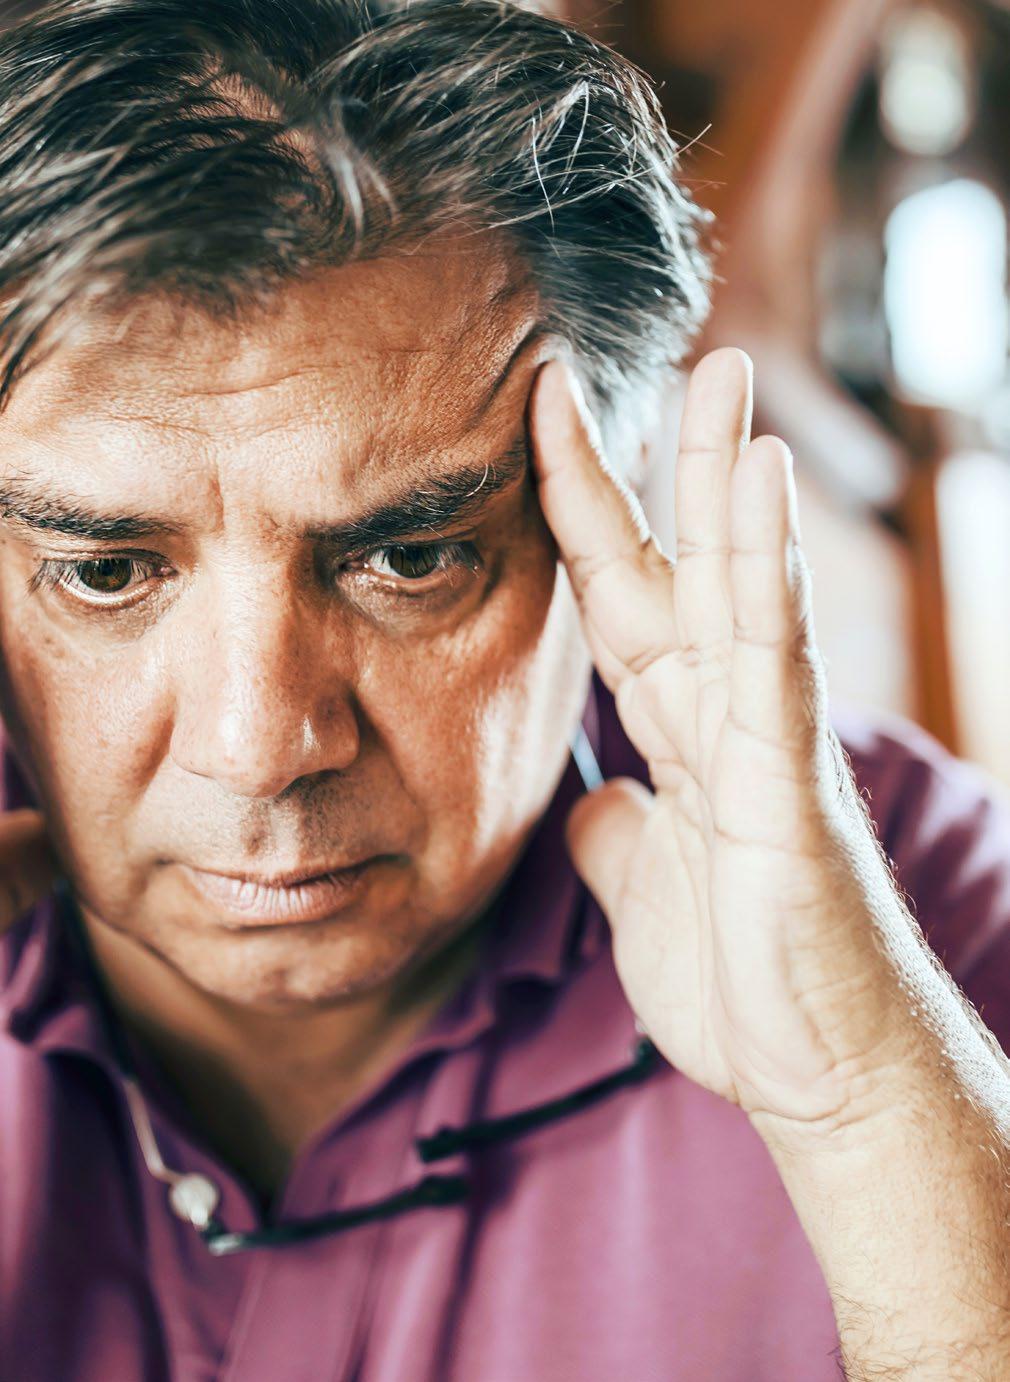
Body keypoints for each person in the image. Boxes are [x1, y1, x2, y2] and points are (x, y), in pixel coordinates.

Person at [0, 1, 1008, 1378]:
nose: (259, 748)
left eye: (410, 559)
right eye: (106, 573)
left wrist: (868, 1106)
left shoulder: (909, 904)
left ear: (608, 504)